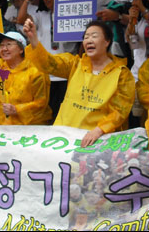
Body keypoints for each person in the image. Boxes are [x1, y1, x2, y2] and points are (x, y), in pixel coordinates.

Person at [23, 19, 135, 147]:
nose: (89, 40)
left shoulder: (122, 74)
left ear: (107, 41)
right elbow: (48, 64)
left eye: (94, 36)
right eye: (86, 37)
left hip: (96, 140)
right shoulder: (75, 64)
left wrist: (100, 130)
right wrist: (34, 40)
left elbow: (120, 111)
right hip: (63, 137)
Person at [17, 0, 77, 120]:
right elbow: (21, 19)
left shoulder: (72, 13)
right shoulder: (41, 15)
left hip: (66, 72)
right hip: (46, 73)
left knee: (64, 113)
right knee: (48, 113)